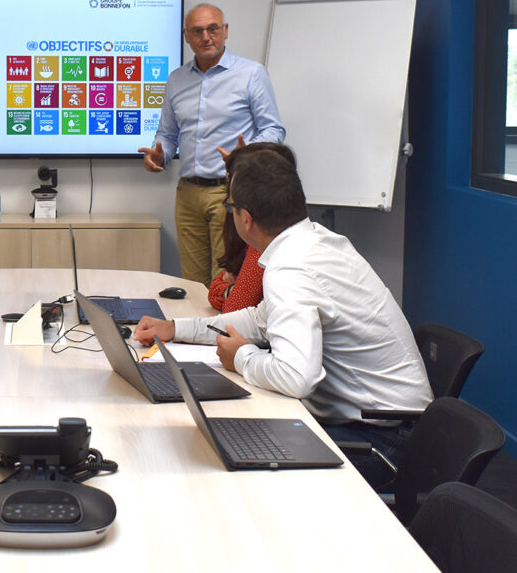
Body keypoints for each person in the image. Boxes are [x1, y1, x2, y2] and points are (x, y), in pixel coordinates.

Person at [133, 150, 432, 489]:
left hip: (382, 442)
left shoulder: (291, 267)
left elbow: (296, 378)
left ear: (245, 219)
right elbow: (259, 320)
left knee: (232, 469)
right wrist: (175, 329)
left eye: (230, 207)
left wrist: (241, 357)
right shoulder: (312, 242)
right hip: (395, 428)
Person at [138, 3, 286, 286]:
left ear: (225, 31)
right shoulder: (176, 79)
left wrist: (246, 153)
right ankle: (196, 332)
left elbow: (273, 128)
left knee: (226, 280)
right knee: (192, 283)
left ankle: (221, 330)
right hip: (188, 193)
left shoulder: (251, 74)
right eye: (197, 31)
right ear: (186, 36)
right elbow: (167, 135)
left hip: (231, 192)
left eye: (213, 29)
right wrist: (160, 154)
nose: (206, 37)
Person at [207, 142, 297, 313]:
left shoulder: (265, 243)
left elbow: (234, 310)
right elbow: (215, 287)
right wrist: (228, 291)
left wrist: (227, 291)